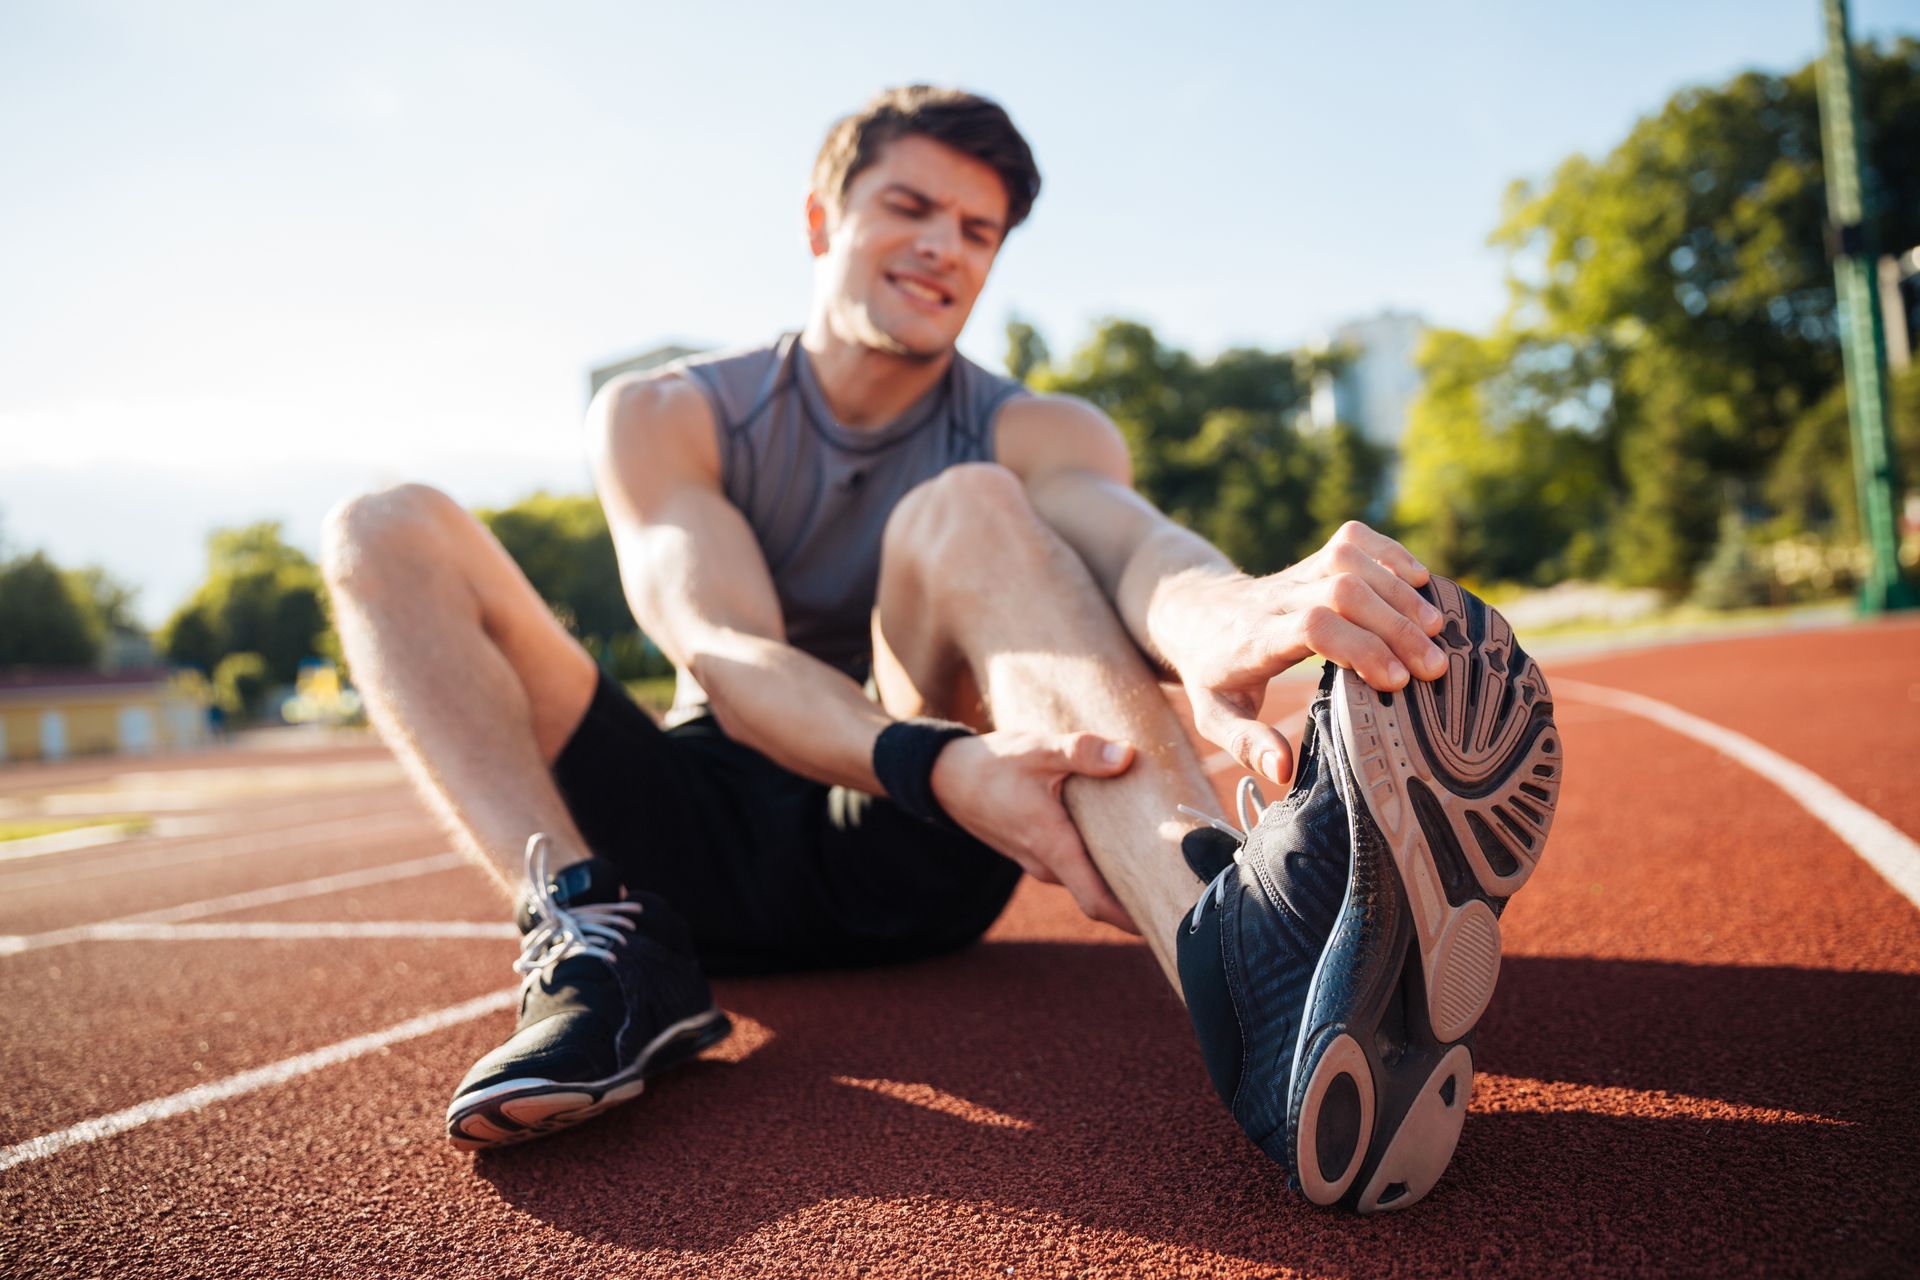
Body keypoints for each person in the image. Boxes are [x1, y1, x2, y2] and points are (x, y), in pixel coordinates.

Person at [321, 85, 1558, 1213]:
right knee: (385, 528)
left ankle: (1250, 962)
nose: (942, 247)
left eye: (977, 231)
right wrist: (932, 759)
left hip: (914, 848)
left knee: (964, 505)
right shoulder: (665, 412)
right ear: (822, 219)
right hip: (698, 836)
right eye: (910, 206)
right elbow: (721, 647)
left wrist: (1216, 614)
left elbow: (1128, 544)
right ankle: (594, 943)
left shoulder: (1037, 426)